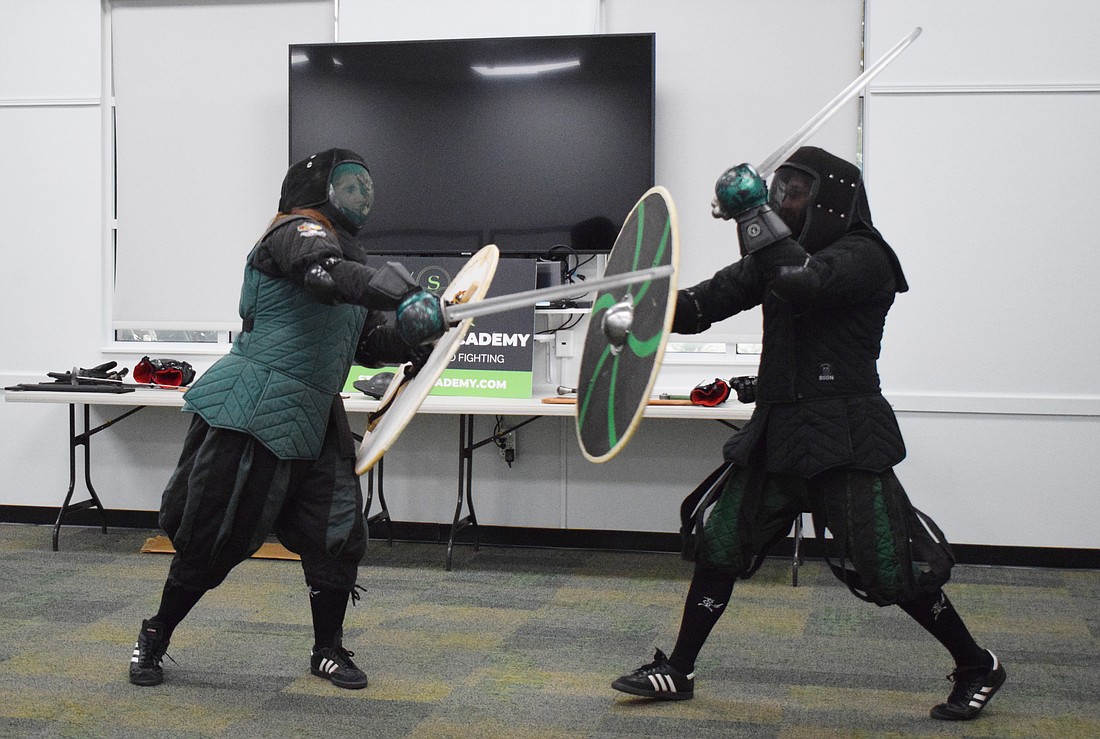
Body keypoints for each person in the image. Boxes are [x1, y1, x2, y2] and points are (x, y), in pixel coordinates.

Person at [611, 147, 1006, 721]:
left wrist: (749, 212)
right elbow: (702, 305)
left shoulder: (864, 256)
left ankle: (977, 665)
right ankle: (679, 667)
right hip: (777, 435)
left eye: (793, 191)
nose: (779, 200)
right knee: (722, 544)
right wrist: (636, 310)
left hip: (843, 439)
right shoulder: (774, 261)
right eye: (776, 190)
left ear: (830, 198)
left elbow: (803, 281)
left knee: (890, 566)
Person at [128, 148, 448, 689]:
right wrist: (400, 292)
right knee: (214, 535)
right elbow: (321, 275)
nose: (362, 197)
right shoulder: (292, 232)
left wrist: (418, 332)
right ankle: (155, 635)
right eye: (350, 186)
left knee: (337, 535)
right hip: (253, 408)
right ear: (317, 189)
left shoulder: (349, 258)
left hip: (316, 418)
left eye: (365, 187)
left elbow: (368, 342)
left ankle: (326, 650)